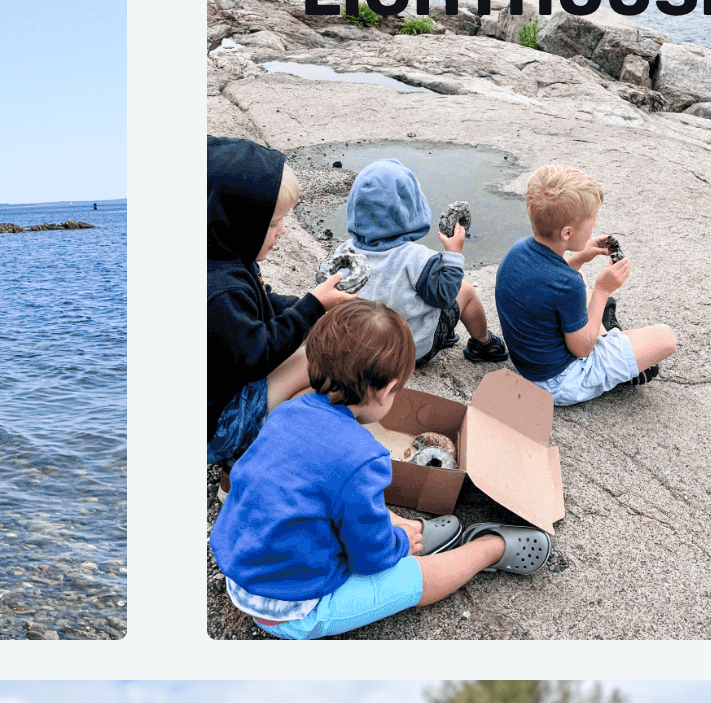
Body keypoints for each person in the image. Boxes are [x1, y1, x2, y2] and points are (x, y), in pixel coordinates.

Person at [210, 299, 553, 638]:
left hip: (243, 572)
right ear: (388, 390)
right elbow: (370, 561)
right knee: (411, 579)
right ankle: (489, 547)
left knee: (343, 501)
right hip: (290, 609)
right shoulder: (363, 457)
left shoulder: (286, 413)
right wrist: (400, 544)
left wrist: (397, 529)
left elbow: (307, 493)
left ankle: (407, 529)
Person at [208, 136, 352, 470]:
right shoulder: (220, 291)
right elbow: (257, 354)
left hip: (225, 387)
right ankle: (244, 459)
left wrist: (319, 309)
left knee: (311, 337)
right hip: (216, 427)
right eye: (273, 223)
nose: (283, 231)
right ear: (237, 224)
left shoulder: (224, 257)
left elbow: (264, 306)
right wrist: (313, 306)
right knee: (312, 357)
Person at [494, 163, 677, 405]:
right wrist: (603, 290)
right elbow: (582, 350)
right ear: (567, 233)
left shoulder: (517, 251)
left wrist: (580, 256)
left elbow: (548, 289)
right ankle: (616, 357)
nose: (594, 224)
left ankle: (612, 339)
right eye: (592, 219)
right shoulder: (567, 285)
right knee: (666, 338)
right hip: (559, 382)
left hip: (531, 366)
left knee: (579, 279)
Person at [343, 159, 507, 367]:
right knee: (465, 291)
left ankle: (444, 332)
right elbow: (445, 296)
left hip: (367, 348)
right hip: (410, 353)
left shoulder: (345, 252)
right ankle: (483, 344)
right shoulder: (418, 259)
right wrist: (453, 254)